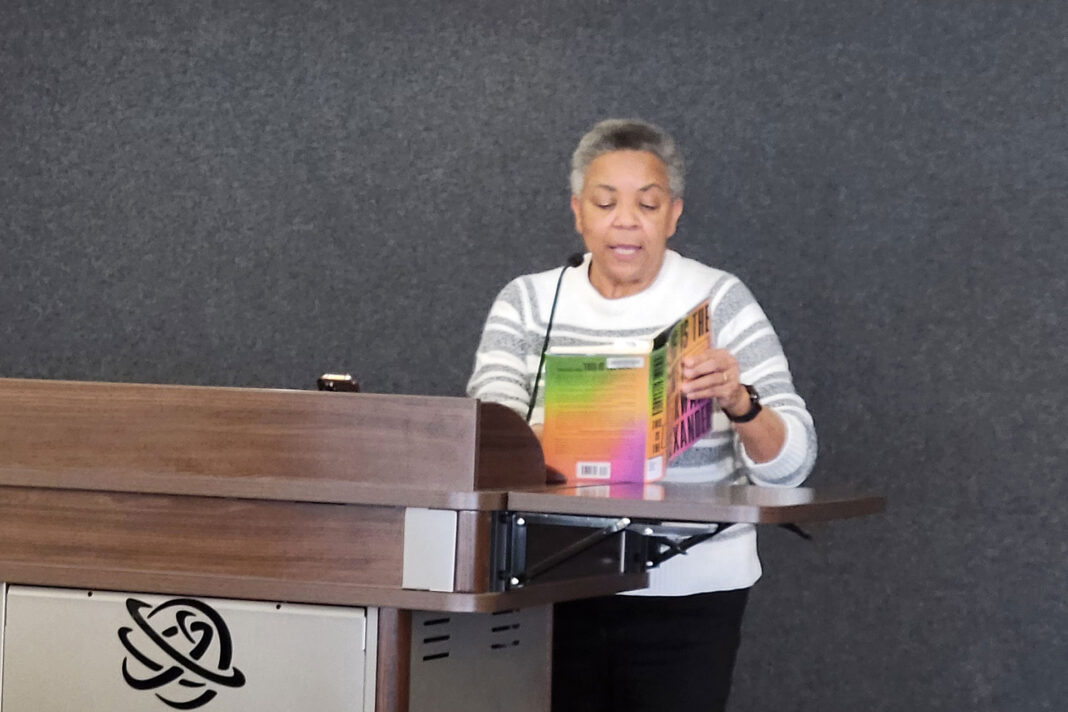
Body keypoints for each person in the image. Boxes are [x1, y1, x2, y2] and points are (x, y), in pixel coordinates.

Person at [466, 119, 816, 711]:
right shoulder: (527, 302)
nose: (625, 221)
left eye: (646, 204)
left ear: (673, 215)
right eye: (606, 203)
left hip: (690, 594)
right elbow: (484, 442)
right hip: (552, 588)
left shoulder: (719, 298)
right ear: (578, 212)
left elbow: (792, 467)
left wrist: (740, 402)